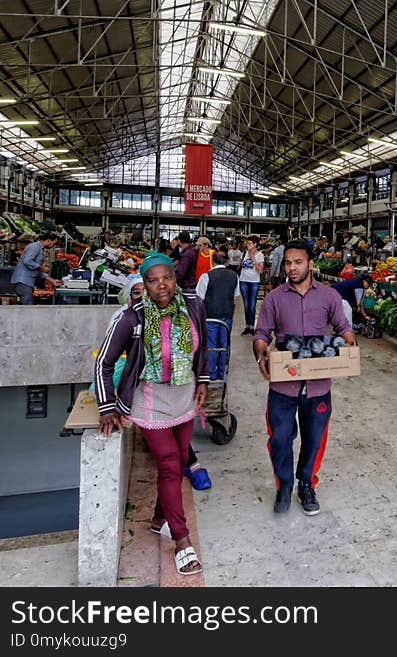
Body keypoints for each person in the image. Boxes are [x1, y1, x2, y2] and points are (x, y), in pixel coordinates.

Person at [94, 251, 209, 576]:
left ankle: (160, 518)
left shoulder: (193, 306)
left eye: (167, 278)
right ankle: (183, 541)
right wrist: (107, 407)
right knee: (171, 465)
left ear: (175, 278)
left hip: (185, 397)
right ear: (143, 284)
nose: (162, 286)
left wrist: (203, 381)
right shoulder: (131, 318)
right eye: (153, 280)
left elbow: (201, 349)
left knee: (181, 459)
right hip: (150, 400)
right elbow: (103, 362)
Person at [252, 239, 356, 516]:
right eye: (288, 263)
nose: (292, 267)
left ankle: (306, 484)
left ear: (311, 264)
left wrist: (349, 340)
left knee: (314, 438)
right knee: (280, 438)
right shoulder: (274, 298)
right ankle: (284, 485)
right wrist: (261, 351)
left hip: (318, 384)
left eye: (298, 262)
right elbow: (262, 332)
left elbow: (343, 325)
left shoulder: (329, 296)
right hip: (283, 384)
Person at [196, 251, 240, 380]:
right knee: (224, 343)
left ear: (212, 261)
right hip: (227, 315)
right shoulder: (234, 276)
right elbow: (235, 295)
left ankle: (212, 373)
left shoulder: (206, 276)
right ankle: (222, 372)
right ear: (227, 261)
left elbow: (200, 297)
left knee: (211, 345)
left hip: (210, 315)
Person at [12, 233, 62, 304]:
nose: (54, 246)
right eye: (54, 243)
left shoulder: (39, 249)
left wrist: (52, 280)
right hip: (23, 282)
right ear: (48, 241)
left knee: (26, 304)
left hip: (27, 282)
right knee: (27, 305)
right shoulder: (34, 247)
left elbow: (37, 270)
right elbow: (27, 261)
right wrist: (41, 267)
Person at [239, 235, 265, 335]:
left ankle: (252, 326)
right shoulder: (244, 253)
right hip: (243, 281)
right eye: (247, 243)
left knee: (252, 305)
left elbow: (260, 270)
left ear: (255, 244)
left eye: (250, 243)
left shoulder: (260, 255)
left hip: (254, 281)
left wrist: (253, 259)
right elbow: (241, 265)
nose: (247, 245)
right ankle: (247, 326)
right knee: (246, 305)